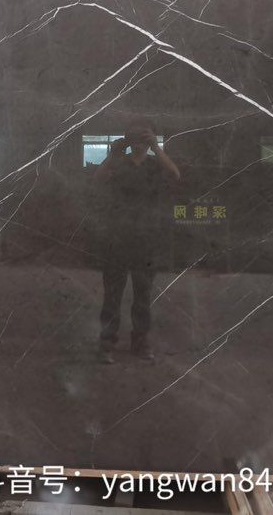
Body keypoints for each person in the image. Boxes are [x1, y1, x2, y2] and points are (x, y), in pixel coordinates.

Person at [94, 119, 180, 364]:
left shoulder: (155, 164)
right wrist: (113, 154)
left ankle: (140, 340)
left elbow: (175, 174)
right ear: (127, 139)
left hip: (146, 237)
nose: (139, 142)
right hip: (118, 236)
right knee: (112, 293)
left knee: (143, 293)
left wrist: (157, 148)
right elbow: (98, 179)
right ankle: (107, 341)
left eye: (144, 136)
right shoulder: (119, 163)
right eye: (134, 136)